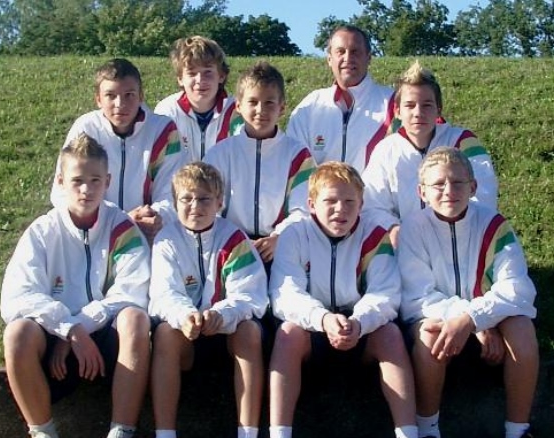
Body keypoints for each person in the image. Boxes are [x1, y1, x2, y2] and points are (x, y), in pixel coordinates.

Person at [247, 161, 439, 438]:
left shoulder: (375, 236)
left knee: (391, 335)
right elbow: (285, 294)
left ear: (361, 205)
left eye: (350, 202)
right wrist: (323, 319)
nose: (340, 209)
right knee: (288, 333)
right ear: (311, 204)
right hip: (314, 330)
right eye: (330, 201)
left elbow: (385, 293)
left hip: (359, 330)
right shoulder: (294, 234)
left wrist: (358, 322)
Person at [1, 134, 151, 438]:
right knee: (17, 333)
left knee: (135, 319)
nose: (86, 189)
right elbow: (16, 297)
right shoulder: (42, 231)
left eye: (95, 180)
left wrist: (81, 327)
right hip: (56, 340)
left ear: (108, 181)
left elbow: (133, 291)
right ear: (60, 181)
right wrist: (68, 329)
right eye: (77, 180)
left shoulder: (122, 228)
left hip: (106, 340)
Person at [398, 146, 548, 438]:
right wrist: (467, 320)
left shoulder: (495, 225)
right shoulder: (413, 228)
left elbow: (518, 288)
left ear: (474, 187)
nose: (448, 191)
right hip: (441, 320)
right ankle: (428, 437)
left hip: (484, 322)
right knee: (429, 335)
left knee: (522, 328)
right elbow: (416, 296)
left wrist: (473, 319)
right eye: (438, 184)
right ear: (422, 192)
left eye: (457, 182)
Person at [142, 162, 269, 438]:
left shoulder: (234, 238)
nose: (195, 207)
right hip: (186, 334)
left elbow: (251, 295)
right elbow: (162, 294)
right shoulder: (167, 240)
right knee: (165, 333)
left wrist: (220, 314)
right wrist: (186, 315)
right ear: (174, 202)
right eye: (186, 199)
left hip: (225, 333)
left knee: (250, 331)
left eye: (204, 199)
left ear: (220, 201)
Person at [363, 61, 498, 247]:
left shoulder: (463, 141)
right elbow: (372, 204)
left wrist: (448, 228)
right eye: (410, 105)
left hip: (457, 243)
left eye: (427, 105)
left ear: (438, 110)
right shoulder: (386, 150)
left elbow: (483, 196)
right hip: (406, 246)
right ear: (397, 111)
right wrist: (393, 228)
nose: (418, 113)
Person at [50, 58, 184, 244]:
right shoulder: (85, 128)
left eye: (129, 94)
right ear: (98, 99)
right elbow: (62, 192)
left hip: (147, 236)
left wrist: (157, 215)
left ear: (141, 96)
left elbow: (174, 191)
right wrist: (119, 221)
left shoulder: (163, 130)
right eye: (110, 95)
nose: (120, 103)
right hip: (94, 237)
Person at [204, 61, 316, 265]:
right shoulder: (220, 153)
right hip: (229, 246)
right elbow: (210, 205)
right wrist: (234, 240)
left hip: (280, 245)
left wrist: (279, 238)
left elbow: (303, 208)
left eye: (269, 103)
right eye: (253, 102)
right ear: (238, 106)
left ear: (282, 108)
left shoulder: (298, 155)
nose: (261, 110)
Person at [286, 25, 395, 173]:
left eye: (355, 51)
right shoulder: (309, 108)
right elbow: (296, 170)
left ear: (368, 58)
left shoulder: (394, 104)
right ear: (329, 59)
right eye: (340, 52)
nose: (348, 58)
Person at [154, 35, 243, 162]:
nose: (200, 80)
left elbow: (243, 158)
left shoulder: (237, 110)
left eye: (208, 72)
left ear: (221, 76)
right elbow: (161, 165)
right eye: (192, 73)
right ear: (180, 79)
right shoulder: (167, 112)